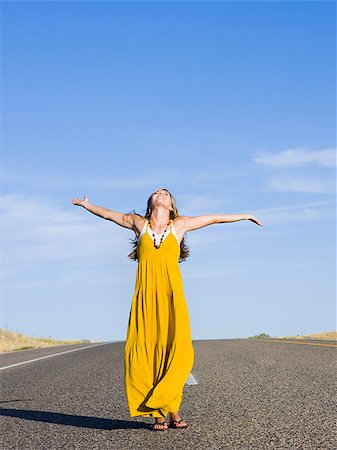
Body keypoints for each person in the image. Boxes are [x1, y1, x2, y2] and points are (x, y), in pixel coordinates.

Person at [72, 188, 263, 431]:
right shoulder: (138, 223)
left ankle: (172, 407)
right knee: (148, 353)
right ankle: (159, 414)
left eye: (166, 193)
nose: (161, 194)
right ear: (150, 203)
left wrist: (245, 215)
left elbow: (214, 218)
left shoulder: (179, 225)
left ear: (171, 205)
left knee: (178, 352)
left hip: (172, 299)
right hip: (145, 299)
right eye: (156, 192)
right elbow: (110, 215)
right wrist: (88, 206)